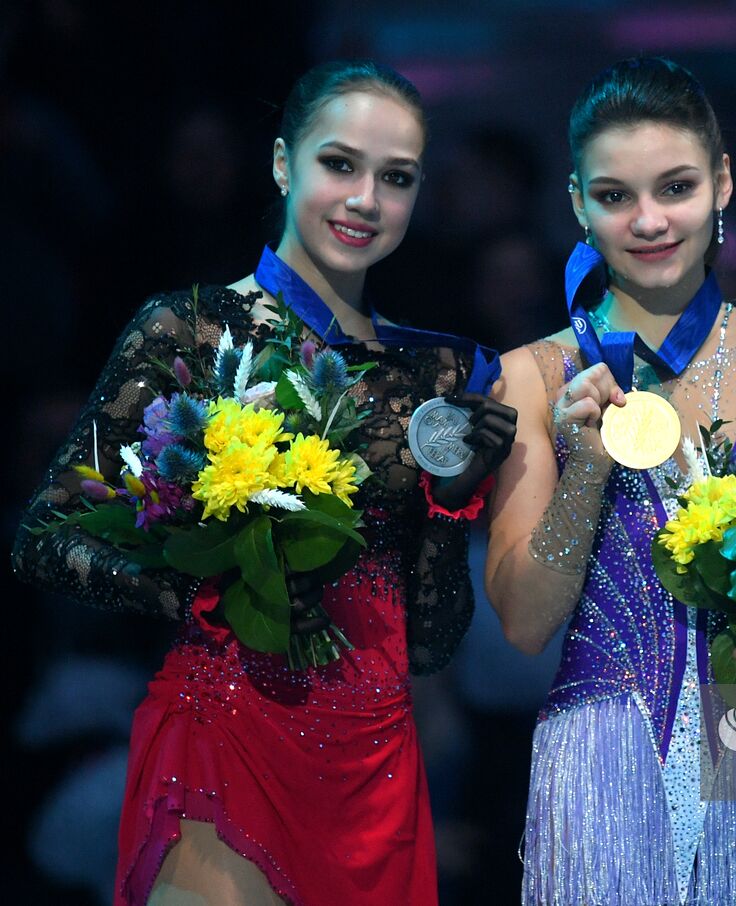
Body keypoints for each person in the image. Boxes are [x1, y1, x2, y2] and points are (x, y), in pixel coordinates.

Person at [12, 60, 516, 905]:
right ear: (284, 164)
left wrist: (447, 501)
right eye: (339, 164)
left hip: (373, 760)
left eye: (396, 178)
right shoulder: (185, 328)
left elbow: (430, 641)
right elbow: (46, 536)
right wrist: (193, 587)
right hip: (225, 732)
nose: (364, 199)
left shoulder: (438, 371)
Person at [484, 57, 736, 904]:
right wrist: (585, 468)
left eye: (677, 187)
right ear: (578, 204)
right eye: (616, 196)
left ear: (723, 183)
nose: (649, 220)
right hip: (598, 769)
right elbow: (522, 622)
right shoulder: (532, 376)